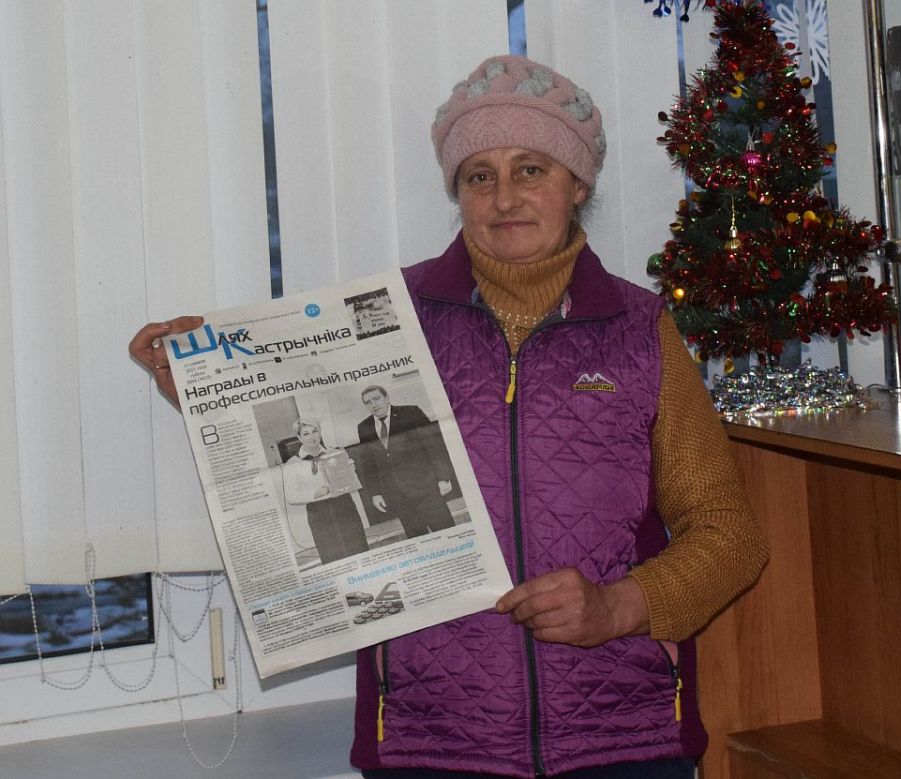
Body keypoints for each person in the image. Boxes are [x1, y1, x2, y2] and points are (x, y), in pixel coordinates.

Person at [129, 54, 768, 779]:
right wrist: (204, 381)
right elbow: (290, 452)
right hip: (428, 740)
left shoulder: (640, 331)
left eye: (531, 169)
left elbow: (731, 535)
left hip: (620, 737)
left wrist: (618, 608)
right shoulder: (382, 323)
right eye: (478, 176)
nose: (504, 197)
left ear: (578, 183)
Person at [354, 385, 455, 539]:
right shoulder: (363, 427)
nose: (374, 404)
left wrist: (443, 478)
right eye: (368, 402)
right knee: (418, 539)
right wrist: (375, 493)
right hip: (397, 495)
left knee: (446, 533)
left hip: (427, 487)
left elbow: (434, 447)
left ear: (387, 398)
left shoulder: (411, 413)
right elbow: (368, 465)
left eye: (376, 399)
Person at [283, 417, 369, 565]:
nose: (312, 436)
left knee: (358, 548)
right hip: (319, 513)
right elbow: (291, 497)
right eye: (306, 433)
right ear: (299, 438)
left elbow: (348, 481)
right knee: (332, 555)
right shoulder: (293, 463)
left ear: (320, 432)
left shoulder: (335, 453)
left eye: (315, 431)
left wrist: (350, 471)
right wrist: (314, 494)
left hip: (344, 506)